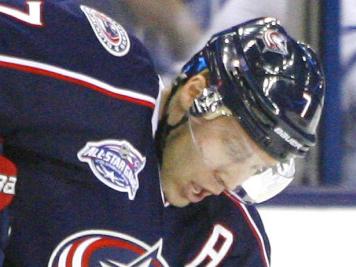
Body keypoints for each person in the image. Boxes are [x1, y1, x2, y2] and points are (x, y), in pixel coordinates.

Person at [0, 2, 325, 267]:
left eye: (256, 169)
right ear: (194, 94)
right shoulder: (100, 75)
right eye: (234, 149)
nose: (229, 181)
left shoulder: (226, 242)